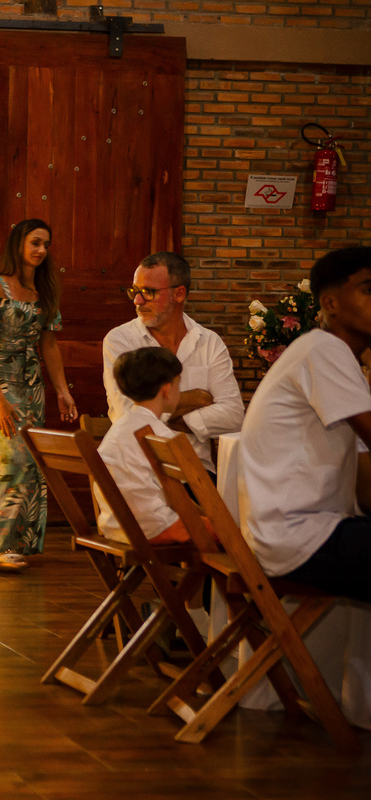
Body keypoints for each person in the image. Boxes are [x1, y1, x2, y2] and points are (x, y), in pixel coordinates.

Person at [239, 246, 371, 602]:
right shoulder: (325, 351)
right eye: (368, 289)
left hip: (301, 532)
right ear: (330, 303)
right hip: (301, 537)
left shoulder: (331, 356)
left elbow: (366, 493)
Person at [0, 219, 76, 573]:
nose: (41, 250)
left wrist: (62, 391)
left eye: (46, 245)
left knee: (31, 461)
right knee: (12, 458)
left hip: (32, 384)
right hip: (2, 382)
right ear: (19, 244)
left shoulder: (44, 290)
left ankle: (17, 541)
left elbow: (49, 344)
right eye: (35, 243)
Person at [103, 252, 243, 474]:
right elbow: (127, 415)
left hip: (197, 472)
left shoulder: (209, 342)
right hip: (142, 469)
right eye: (134, 291)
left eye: (148, 292)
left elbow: (234, 416)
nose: (137, 301)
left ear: (179, 294)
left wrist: (155, 412)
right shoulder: (121, 340)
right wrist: (198, 398)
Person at [95, 347, 215, 545]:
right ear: (166, 390)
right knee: (232, 533)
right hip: (153, 527)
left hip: (116, 526)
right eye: (178, 383)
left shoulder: (120, 427)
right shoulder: (161, 435)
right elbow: (195, 487)